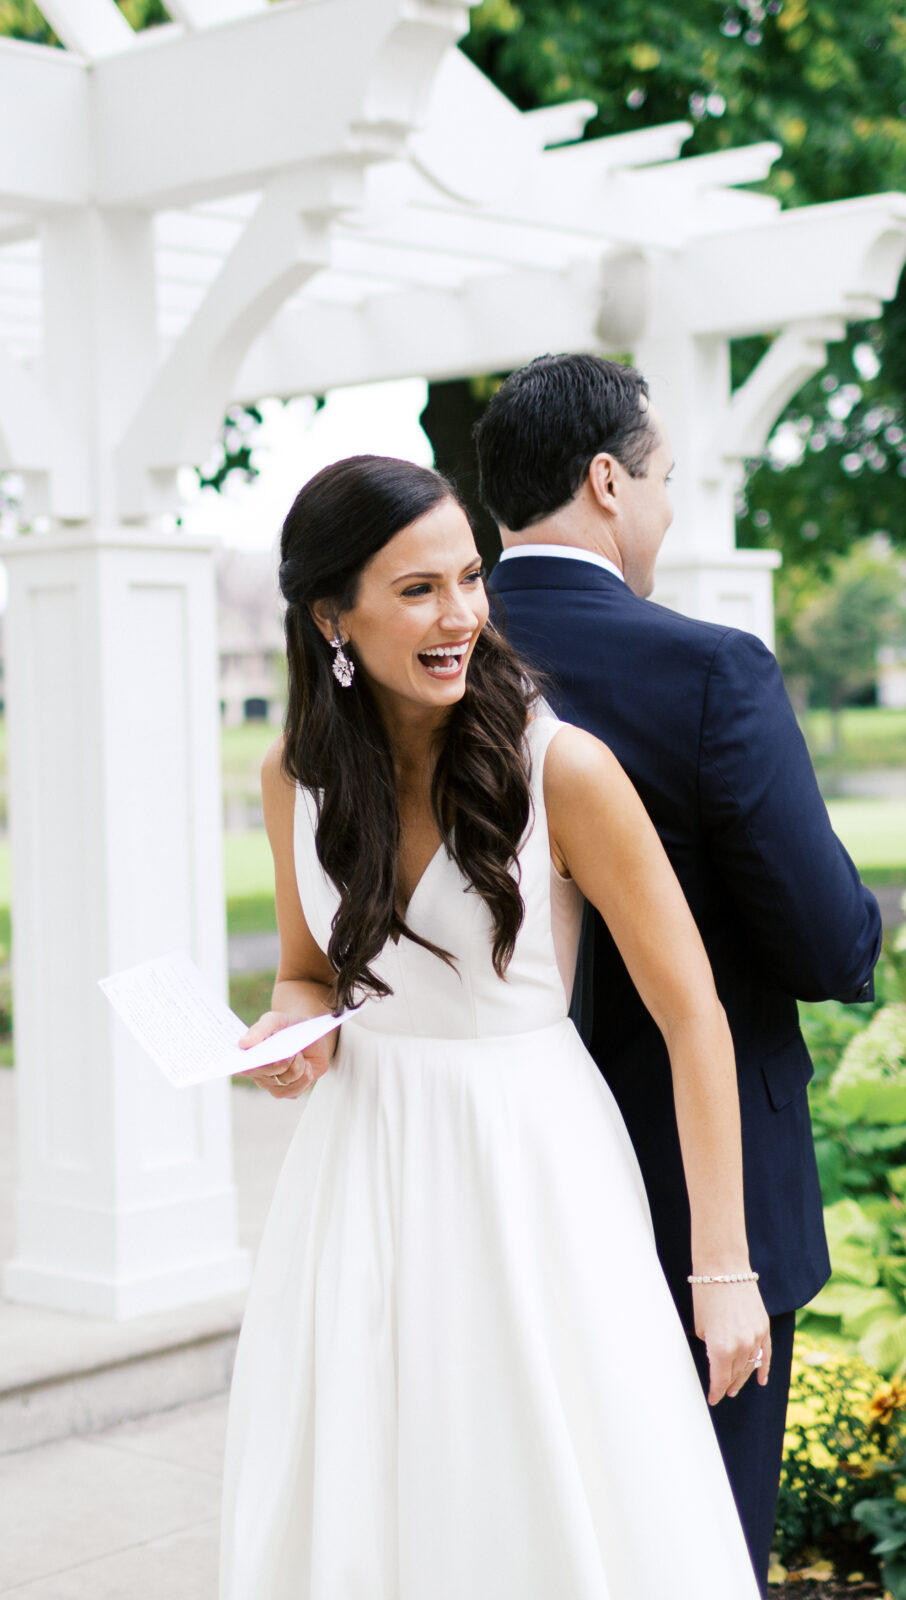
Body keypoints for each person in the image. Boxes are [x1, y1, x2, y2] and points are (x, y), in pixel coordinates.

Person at [218, 453, 768, 1599]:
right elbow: (305, 972)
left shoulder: (561, 766)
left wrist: (721, 1269)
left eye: (470, 577)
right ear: (333, 615)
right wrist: (293, 1034)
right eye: (418, 589)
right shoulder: (294, 774)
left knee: (548, 1479)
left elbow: (691, 1012)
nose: (461, 612)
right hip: (359, 1167)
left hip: (529, 1164)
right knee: (371, 1478)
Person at [475, 353, 883, 1593]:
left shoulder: (428, 661)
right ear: (606, 481)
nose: (663, 509)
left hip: (497, 1178)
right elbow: (828, 944)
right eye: (661, 479)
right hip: (701, 1212)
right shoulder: (712, 671)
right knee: (698, 1544)